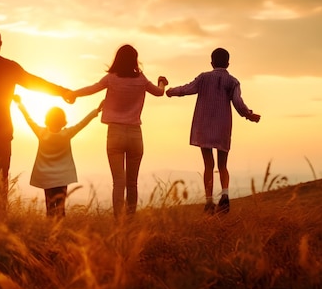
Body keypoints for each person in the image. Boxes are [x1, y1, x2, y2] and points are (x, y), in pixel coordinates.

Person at [0, 28, 72, 215]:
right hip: (1, 133)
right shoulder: (9, 67)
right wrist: (62, 91)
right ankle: (0, 223)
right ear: (0, 44)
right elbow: (35, 83)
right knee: (1, 181)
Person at [69, 44, 168, 219]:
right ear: (134, 60)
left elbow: (91, 89)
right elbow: (159, 93)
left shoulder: (111, 78)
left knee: (118, 183)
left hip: (114, 133)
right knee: (132, 183)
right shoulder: (141, 79)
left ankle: (119, 223)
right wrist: (162, 82)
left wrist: (72, 94)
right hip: (135, 135)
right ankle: (130, 221)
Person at [165, 47, 261, 214]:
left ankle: (209, 202)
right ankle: (224, 195)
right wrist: (249, 115)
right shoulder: (232, 81)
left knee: (208, 164)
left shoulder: (203, 78)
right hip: (222, 127)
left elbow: (187, 89)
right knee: (223, 165)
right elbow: (238, 103)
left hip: (203, 127)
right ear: (228, 63)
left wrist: (170, 92)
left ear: (211, 62)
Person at [13, 95, 103, 218]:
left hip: (46, 177)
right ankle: (60, 234)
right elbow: (83, 123)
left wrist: (20, 104)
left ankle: (50, 235)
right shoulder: (67, 133)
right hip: (62, 177)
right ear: (63, 120)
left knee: (49, 209)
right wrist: (96, 111)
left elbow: (28, 119)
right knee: (61, 209)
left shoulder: (41, 133)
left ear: (47, 119)